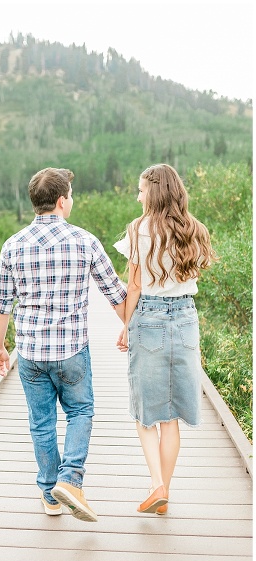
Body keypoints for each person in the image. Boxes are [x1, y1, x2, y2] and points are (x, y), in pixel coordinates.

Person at [0, 167, 127, 522]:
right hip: (71, 351)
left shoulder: (13, 245)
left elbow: (2, 304)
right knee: (80, 411)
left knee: (41, 422)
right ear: (63, 201)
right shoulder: (85, 241)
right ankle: (70, 480)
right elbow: (115, 294)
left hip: (31, 353)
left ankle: (50, 495)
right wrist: (134, 325)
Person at [114, 163, 215, 515]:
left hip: (151, 319)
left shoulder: (138, 229)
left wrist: (127, 324)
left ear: (153, 191)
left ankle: (157, 484)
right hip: (186, 318)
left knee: (145, 414)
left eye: (141, 189)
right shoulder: (194, 228)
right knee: (170, 417)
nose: (138, 195)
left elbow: (135, 286)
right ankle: (164, 493)